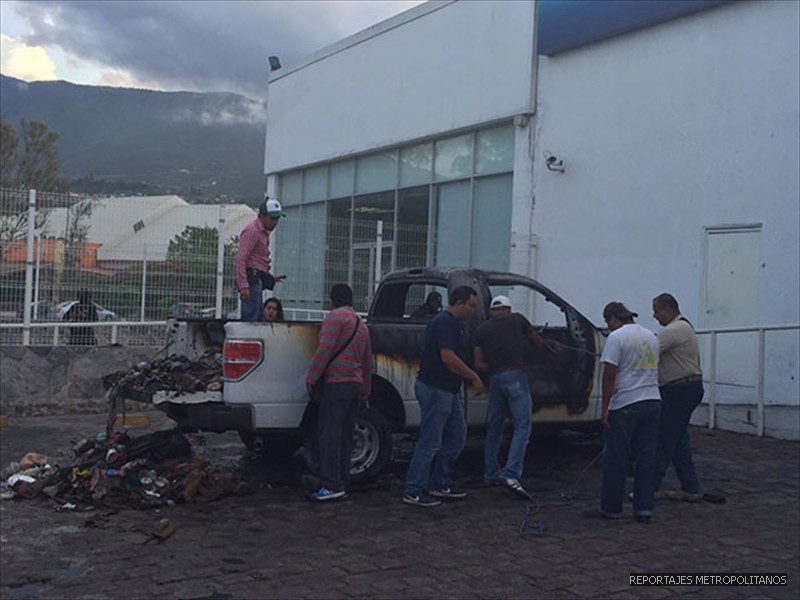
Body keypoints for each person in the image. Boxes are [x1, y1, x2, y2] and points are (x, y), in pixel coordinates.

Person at [402, 286, 484, 508]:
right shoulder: (445, 323)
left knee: (456, 436)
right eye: (471, 305)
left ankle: (438, 482)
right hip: (436, 388)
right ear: (459, 303)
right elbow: (447, 357)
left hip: (446, 389)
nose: (473, 310)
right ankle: (414, 489)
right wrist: (473, 376)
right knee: (430, 441)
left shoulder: (451, 324)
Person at [590, 301, 661, 523]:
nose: (608, 327)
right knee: (646, 458)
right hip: (652, 400)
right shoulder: (651, 335)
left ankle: (611, 508)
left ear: (613, 319)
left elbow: (610, 375)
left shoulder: (617, 337)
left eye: (607, 322)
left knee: (616, 458)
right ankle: (643, 509)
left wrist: (605, 409)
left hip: (626, 403)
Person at [304, 284, 373, 501]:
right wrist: (366, 388)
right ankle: (343, 481)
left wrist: (312, 377)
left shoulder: (335, 318)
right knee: (345, 436)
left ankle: (332, 485)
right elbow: (367, 361)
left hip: (337, 385)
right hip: (355, 386)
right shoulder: (361, 325)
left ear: (332, 300)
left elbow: (325, 349)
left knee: (329, 435)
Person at [474, 295, 545, 499]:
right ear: (508, 309)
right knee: (523, 425)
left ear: (491, 311)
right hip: (515, 376)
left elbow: (478, 364)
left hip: (495, 379)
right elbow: (538, 343)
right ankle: (511, 473)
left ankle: (490, 472)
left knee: (495, 426)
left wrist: (496, 367)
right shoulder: (517, 320)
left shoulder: (481, 330)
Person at [652, 292, 704, 502]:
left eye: (656, 311)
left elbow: (645, 351)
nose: (655, 316)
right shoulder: (685, 326)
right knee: (678, 439)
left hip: (678, 390)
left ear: (666, 310)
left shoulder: (673, 330)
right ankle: (691, 487)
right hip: (688, 388)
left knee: (663, 439)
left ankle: (648, 487)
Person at [234, 197, 287, 322]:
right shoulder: (253, 231)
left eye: (277, 219)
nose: (275, 222)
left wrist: (268, 276)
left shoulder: (262, 231)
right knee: (251, 319)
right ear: (262, 216)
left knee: (257, 318)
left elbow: (255, 260)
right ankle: (247, 339)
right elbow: (240, 258)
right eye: (272, 218)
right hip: (251, 279)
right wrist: (244, 286)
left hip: (255, 278)